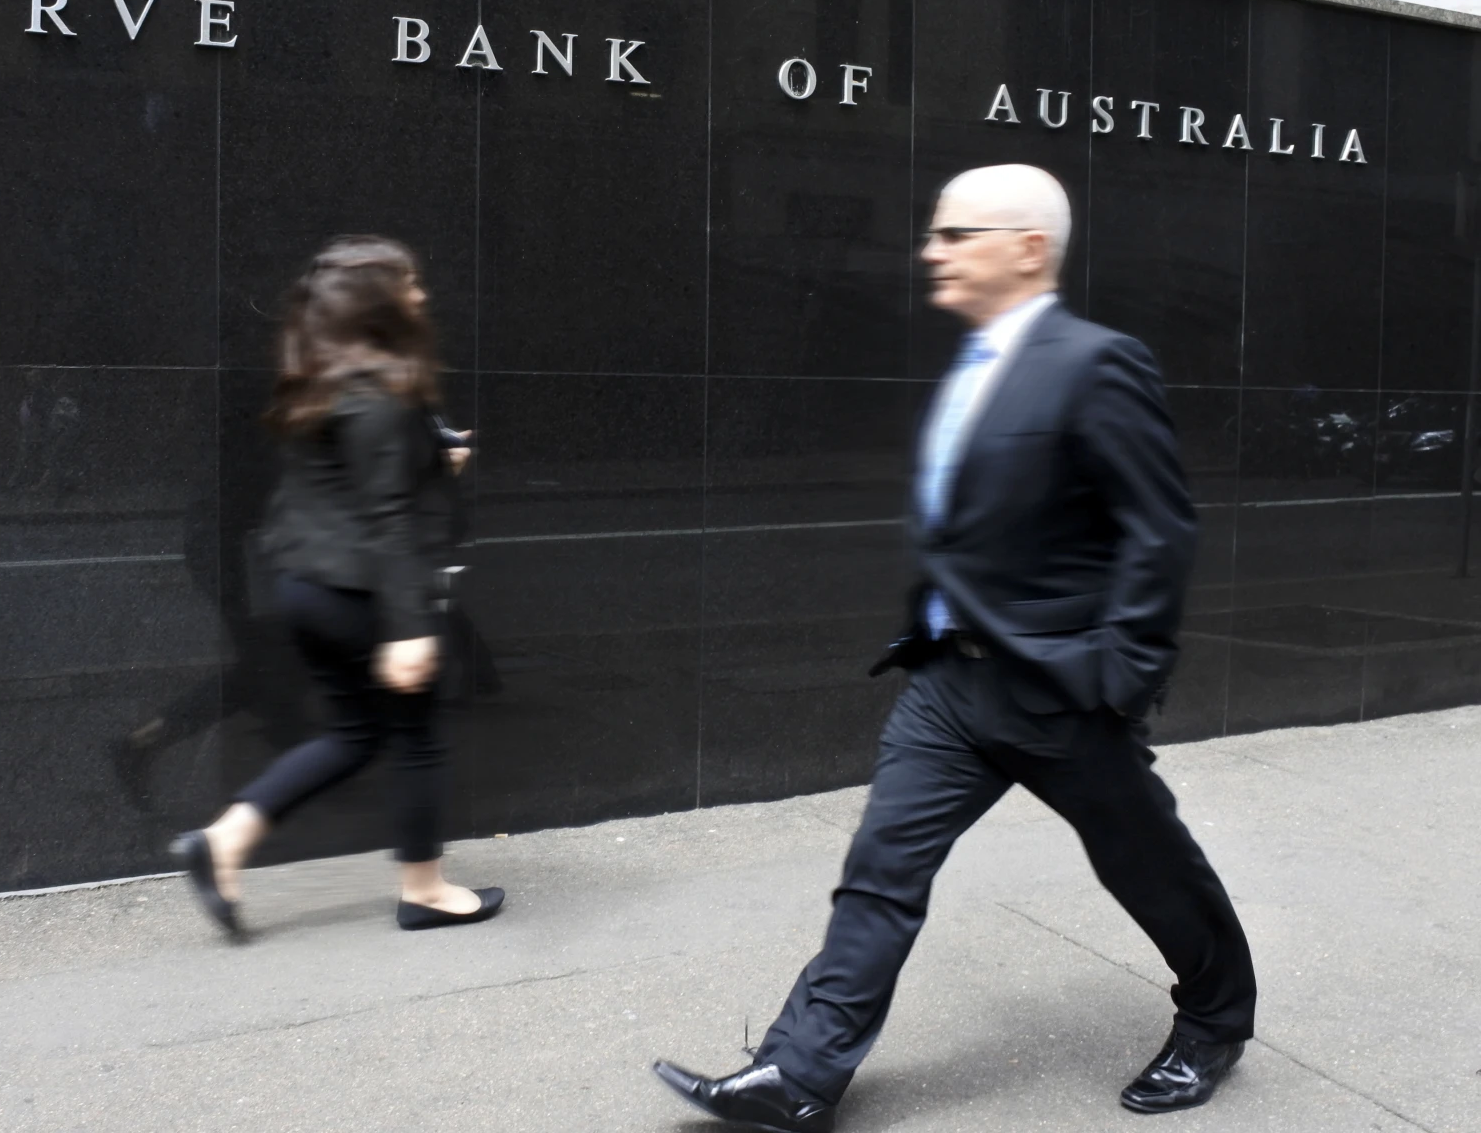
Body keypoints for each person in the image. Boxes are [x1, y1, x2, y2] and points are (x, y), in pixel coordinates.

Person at [653, 165, 1256, 1129]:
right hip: (946, 683)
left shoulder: (1098, 362)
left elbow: (1159, 530)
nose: (930, 250)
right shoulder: (977, 364)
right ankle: (799, 1076)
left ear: (1027, 248)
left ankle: (1218, 1018)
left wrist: (1124, 676)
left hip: (1060, 688)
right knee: (880, 873)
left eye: (953, 233)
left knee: (1146, 864)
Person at [168, 235, 503, 937]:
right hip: (365, 597)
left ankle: (224, 840)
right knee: (416, 740)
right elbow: (389, 518)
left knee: (353, 735)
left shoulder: (323, 382)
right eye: (409, 284)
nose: (421, 295)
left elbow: (349, 484)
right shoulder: (383, 391)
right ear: (380, 302)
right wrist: (410, 629)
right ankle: (425, 890)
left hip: (306, 585)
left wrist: (436, 456)